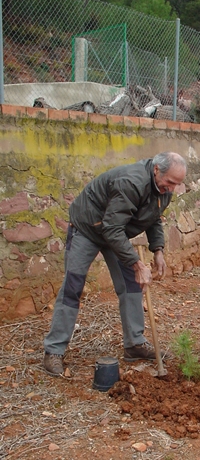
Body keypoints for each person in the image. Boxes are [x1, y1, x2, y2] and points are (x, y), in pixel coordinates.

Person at [43, 152, 187, 376]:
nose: (172, 189)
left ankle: (134, 344)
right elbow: (110, 228)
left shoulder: (164, 188)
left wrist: (158, 249)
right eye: (170, 182)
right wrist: (137, 264)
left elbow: (153, 217)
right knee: (73, 286)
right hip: (88, 227)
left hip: (114, 230)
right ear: (156, 169)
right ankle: (54, 350)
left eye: (177, 184)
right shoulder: (131, 182)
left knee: (131, 286)